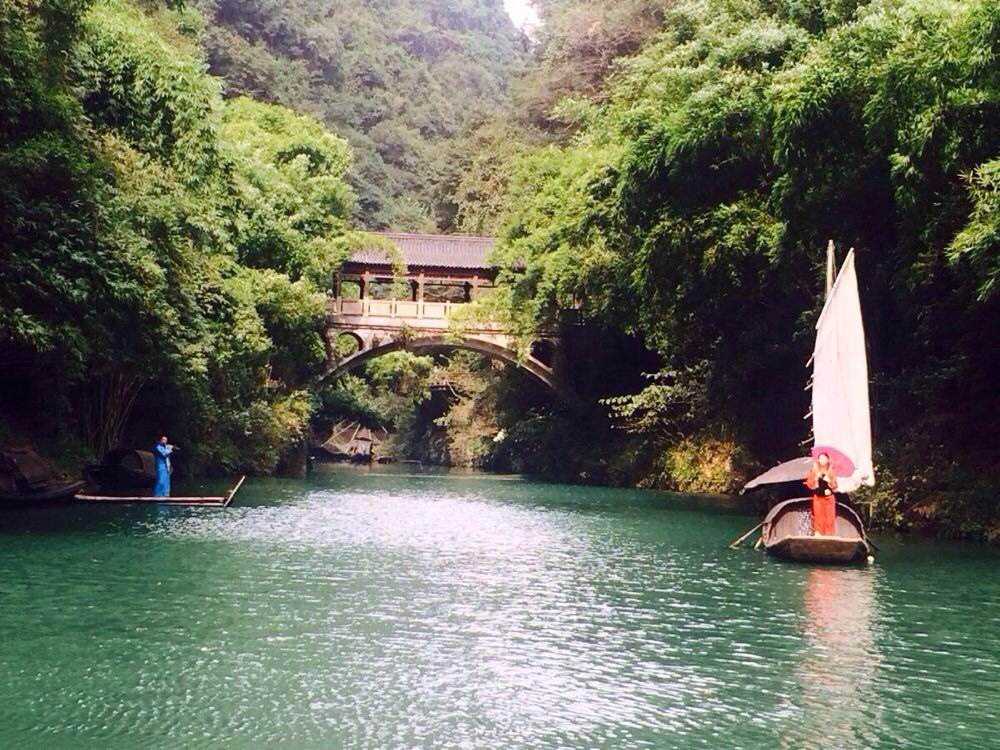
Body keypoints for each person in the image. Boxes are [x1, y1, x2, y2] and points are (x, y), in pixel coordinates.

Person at [804, 452, 838, 536]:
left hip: (829, 497)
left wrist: (829, 480)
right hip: (818, 497)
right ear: (818, 460)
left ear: (827, 460)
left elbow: (835, 486)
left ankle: (828, 534)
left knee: (829, 518)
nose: (822, 460)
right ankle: (818, 534)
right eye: (820, 458)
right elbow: (809, 484)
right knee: (818, 516)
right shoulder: (814, 470)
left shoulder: (831, 471)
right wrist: (815, 478)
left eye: (824, 458)